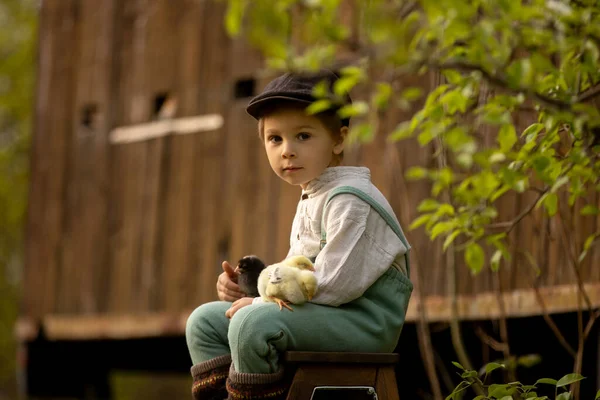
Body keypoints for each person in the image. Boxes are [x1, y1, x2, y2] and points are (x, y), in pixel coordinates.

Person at [185, 70, 413, 400]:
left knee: (252, 324)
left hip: (361, 322)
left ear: (339, 139)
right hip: (324, 313)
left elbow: (334, 284)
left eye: (303, 136)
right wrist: (248, 289)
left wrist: (261, 302)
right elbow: (300, 272)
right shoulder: (314, 194)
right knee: (203, 323)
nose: (287, 150)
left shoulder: (350, 199)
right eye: (275, 139)